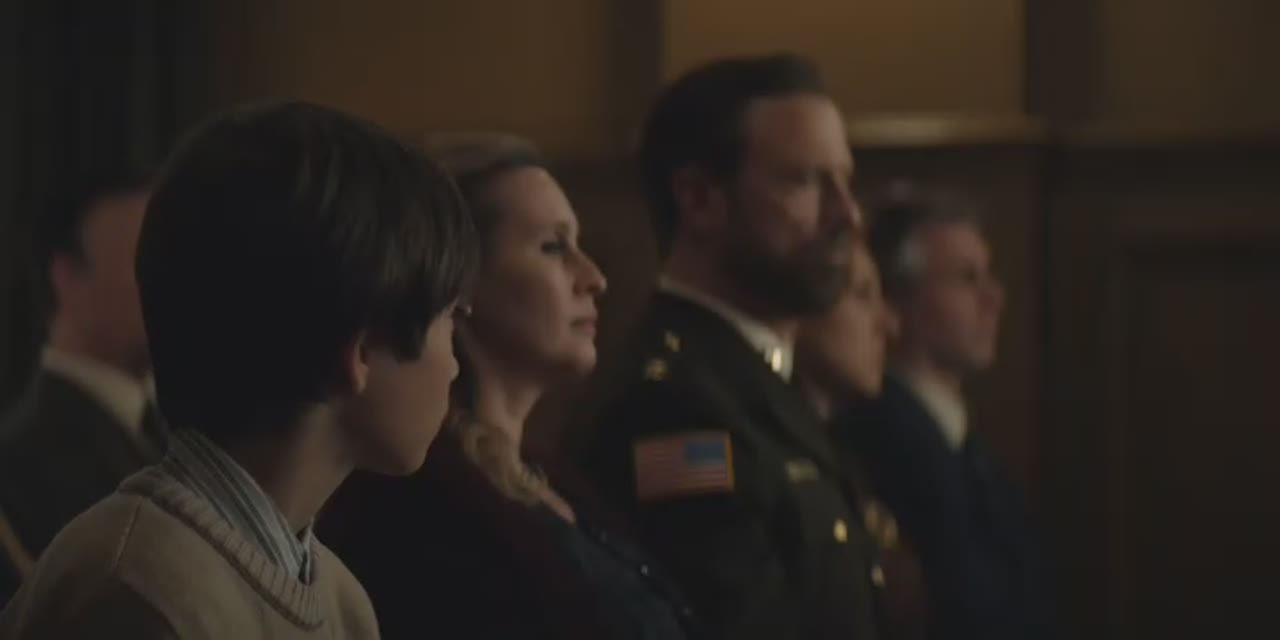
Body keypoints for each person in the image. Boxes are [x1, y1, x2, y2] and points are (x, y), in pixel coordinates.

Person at [0, 101, 476, 638]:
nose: (455, 366)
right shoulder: (133, 593)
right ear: (361, 353)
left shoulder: (344, 601)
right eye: (449, 321)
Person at [323, 134, 698, 640]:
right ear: (460, 276)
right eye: (553, 247)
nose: (594, 278)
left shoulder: (552, 475)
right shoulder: (423, 491)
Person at [575, 53, 888, 640]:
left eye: (845, 181)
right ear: (699, 199)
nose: (848, 214)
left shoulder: (764, 378)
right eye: (805, 181)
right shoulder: (672, 408)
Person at [841, 187, 1053, 640]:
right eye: (966, 279)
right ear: (897, 303)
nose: (994, 298)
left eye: (988, 275)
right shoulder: (886, 437)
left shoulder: (963, 443)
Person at [0, 171, 164, 606]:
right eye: (145, 261)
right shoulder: (18, 471)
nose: (171, 284)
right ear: (67, 277)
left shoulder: (182, 429)